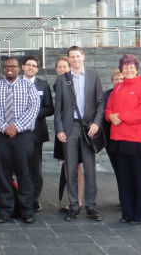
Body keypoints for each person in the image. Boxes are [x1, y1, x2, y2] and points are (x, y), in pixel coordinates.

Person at [0, 57, 41, 224]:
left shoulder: (29, 87)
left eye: (13, 66)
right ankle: (5, 210)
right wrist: (4, 127)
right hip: (0, 136)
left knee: (25, 174)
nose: (9, 69)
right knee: (2, 174)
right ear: (3, 69)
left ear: (19, 69)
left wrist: (16, 127)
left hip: (23, 136)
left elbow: (33, 110)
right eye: (6, 66)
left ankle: (27, 211)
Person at [54, 46, 104, 221]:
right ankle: (74, 205)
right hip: (70, 128)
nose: (75, 59)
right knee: (71, 168)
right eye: (71, 57)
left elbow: (100, 103)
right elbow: (58, 108)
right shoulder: (62, 80)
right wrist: (59, 129)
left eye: (77, 56)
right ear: (69, 59)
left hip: (89, 127)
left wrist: (97, 123)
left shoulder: (93, 76)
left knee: (90, 169)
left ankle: (91, 206)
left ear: (83, 56)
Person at [105, 54, 141, 225]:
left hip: (138, 139)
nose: (128, 69)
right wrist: (111, 116)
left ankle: (140, 214)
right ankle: (127, 213)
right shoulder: (118, 87)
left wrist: (120, 117)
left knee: (139, 179)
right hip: (119, 139)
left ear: (137, 67)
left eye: (131, 66)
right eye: (125, 67)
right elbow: (108, 109)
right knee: (124, 179)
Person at [21, 54, 54, 213]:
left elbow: (49, 108)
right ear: (23, 66)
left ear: (37, 69)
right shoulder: (15, 83)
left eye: (34, 66)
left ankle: (34, 199)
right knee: (20, 167)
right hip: (18, 134)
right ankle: (21, 197)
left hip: (36, 134)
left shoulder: (43, 85)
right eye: (28, 65)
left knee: (35, 168)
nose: (31, 68)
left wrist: (33, 113)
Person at [52, 55, 80, 211]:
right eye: (59, 67)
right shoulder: (58, 83)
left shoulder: (73, 84)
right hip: (61, 128)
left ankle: (79, 200)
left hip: (74, 129)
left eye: (65, 66)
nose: (62, 69)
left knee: (76, 166)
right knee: (67, 165)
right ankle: (73, 199)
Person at [102, 68, 123, 176]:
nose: (119, 81)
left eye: (121, 79)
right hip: (110, 139)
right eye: (116, 79)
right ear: (112, 81)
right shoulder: (106, 95)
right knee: (117, 170)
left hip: (126, 137)